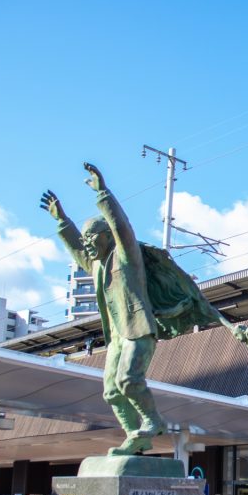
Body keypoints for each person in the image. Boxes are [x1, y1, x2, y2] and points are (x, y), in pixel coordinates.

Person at [42, 164, 167, 456]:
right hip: (117, 338)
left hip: (138, 330)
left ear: (107, 237)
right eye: (85, 241)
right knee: (112, 392)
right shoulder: (97, 266)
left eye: (92, 239)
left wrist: (103, 193)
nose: (87, 245)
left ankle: (153, 420)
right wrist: (62, 222)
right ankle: (136, 437)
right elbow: (76, 248)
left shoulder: (125, 256)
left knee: (128, 380)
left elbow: (122, 226)